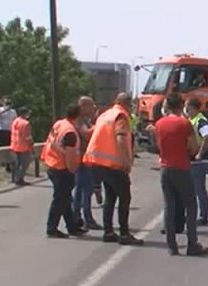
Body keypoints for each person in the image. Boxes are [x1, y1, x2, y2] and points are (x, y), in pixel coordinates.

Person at [83, 92, 143, 246]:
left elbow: (91, 133)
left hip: (99, 163)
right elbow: (121, 138)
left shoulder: (105, 115)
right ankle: (124, 233)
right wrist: (126, 161)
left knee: (110, 197)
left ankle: (108, 232)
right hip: (114, 164)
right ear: (127, 104)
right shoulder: (120, 116)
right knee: (124, 198)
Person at [154, 95, 208, 257]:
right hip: (181, 167)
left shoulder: (159, 124)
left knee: (169, 205)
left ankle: (172, 246)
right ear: (181, 107)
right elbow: (193, 147)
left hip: (165, 168)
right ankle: (192, 244)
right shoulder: (184, 123)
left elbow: (158, 145)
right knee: (190, 205)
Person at [43, 105, 87, 238]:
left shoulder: (60, 124)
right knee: (60, 199)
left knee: (65, 199)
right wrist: (73, 170)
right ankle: (51, 228)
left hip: (51, 163)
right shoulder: (70, 133)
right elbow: (70, 156)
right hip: (61, 168)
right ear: (78, 117)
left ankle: (72, 227)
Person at [73, 96, 100, 229]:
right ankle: (82, 217)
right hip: (81, 159)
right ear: (83, 106)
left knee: (84, 189)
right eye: (91, 106)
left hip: (86, 158)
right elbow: (85, 134)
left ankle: (81, 216)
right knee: (84, 189)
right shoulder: (78, 120)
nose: (93, 108)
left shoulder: (85, 120)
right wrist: (99, 125)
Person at [185, 98, 208, 225]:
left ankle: (203, 217)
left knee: (199, 189)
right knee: (192, 189)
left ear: (194, 108)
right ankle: (194, 215)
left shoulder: (200, 120)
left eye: (188, 108)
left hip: (199, 161)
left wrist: (200, 154)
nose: (186, 110)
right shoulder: (191, 120)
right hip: (192, 160)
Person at [9, 106, 34, 185]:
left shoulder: (15, 121)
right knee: (24, 164)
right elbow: (28, 137)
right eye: (27, 113)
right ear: (24, 113)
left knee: (17, 163)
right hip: (23, 147)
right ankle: (19, 179)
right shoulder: (26, 123)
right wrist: (32, 147)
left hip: (14, 145)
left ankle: (15, 178)